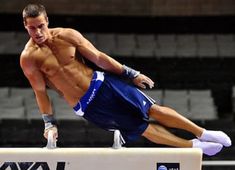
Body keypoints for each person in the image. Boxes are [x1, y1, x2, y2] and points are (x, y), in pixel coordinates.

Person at [20, 3, 231, 156]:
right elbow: (40, 92)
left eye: (41, 25)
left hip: (102, 83)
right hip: (87, 105)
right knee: (142, 128)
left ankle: (202, 132)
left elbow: (99, 58)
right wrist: (49, 124)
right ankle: (193, 147)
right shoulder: (29, 58)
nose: (38, 32)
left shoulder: (68, 35)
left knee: (152, 109)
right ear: (25, 26)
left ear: (47, 20)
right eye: (32, 28)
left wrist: (131, 74)